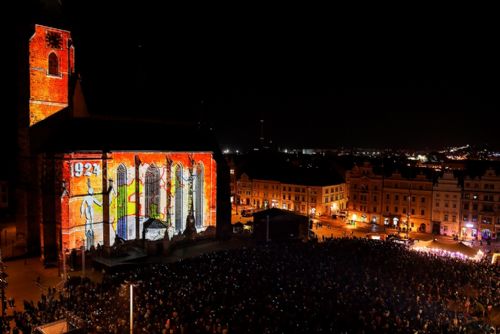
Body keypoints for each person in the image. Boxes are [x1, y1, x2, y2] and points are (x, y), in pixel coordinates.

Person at [81, 178, 102, 250]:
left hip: (90, 210)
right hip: (88, 210)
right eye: (92, 191)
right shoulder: (87, 197)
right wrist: (82, 212)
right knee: (89, 221)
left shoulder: (91, 197)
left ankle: (91, 233)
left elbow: (99, 204)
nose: (93, 192)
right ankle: (88, 234)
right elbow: (83, 205)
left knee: (91, 222)